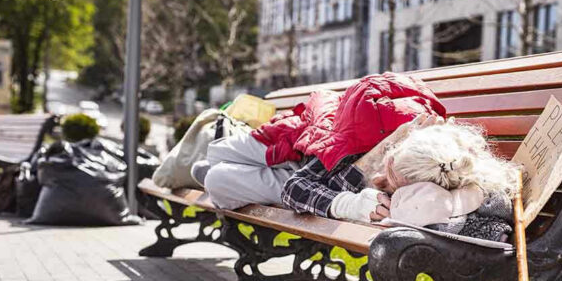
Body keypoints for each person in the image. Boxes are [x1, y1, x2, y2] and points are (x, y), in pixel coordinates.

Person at [194, 72, 446, 210]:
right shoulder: (363, 133)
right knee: (213, 160)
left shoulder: (429, 160)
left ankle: (236, 177)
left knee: (215, 177)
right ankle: (244, 175)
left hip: (304, 171)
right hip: (303, 152)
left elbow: (298, 188)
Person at [282, 121, 520, 242]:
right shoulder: (378, 134)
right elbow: (294, 190)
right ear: (398, 145)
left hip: (289, 170)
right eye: (388, 166)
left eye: (389, 184)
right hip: (292, 150)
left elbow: (296, 191)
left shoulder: (442, 174)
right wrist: (376, 151)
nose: (377, 179)